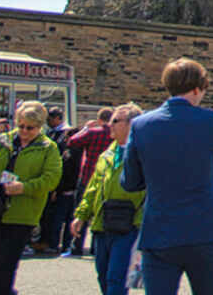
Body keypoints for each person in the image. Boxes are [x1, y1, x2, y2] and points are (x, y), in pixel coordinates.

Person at [121, 57, 213, 295]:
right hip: (205, 231)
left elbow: (130, 182)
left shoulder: (141, 125)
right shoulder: (210, 120)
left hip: (159, 231)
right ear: (196, 89)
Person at [0, 101, 62, 295]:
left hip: (20, 215)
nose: (24, 131)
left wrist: (24, 188)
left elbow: (51, 179)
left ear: (40, 126)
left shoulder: (48, 148)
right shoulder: (4, 140)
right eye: (21, 126)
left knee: (3, 270)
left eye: (30, 128)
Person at [71, 103, 146, 295]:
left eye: (115, 121)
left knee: (117, 278)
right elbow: (93, 188)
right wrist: (81, 215)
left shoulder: (145, 154)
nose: (109, 125)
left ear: (131, 124)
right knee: (103, 276)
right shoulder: (108, 154)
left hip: (130, 225)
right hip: (103, 224)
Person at [64, 106, 116, 257]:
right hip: (107, 178)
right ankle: (95, 248)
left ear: (99, 119)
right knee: (99, 214)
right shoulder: (114, 134)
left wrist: (86, 128)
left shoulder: (93, 132)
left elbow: (71, 141)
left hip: (88, 176)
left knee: (81, 212)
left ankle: (76, 247)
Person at [36, 105, 77, 255]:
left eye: (51, 119)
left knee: (57, 217)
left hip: (63, 183)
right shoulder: (52, 133)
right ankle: (47, 241)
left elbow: (63, 164)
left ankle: (54, 244)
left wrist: (57, 187)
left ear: (58, 118)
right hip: (55, 181)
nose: (49, 122)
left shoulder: (65, 134)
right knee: (51, 216)